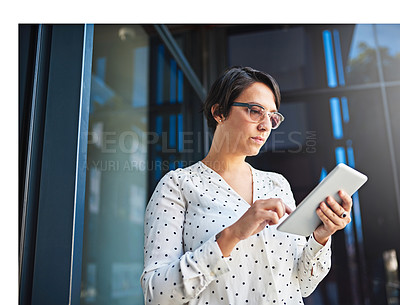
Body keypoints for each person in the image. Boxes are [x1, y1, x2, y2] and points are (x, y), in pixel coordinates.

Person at [140, 66, 353, 304]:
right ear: (219, 112)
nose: (265, 126)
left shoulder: (277, 184)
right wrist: (232, 235)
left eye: (272, 117)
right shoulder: (177, 185)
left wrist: (320, 237)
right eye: (255, 111)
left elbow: (302, 285)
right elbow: (156, 294)